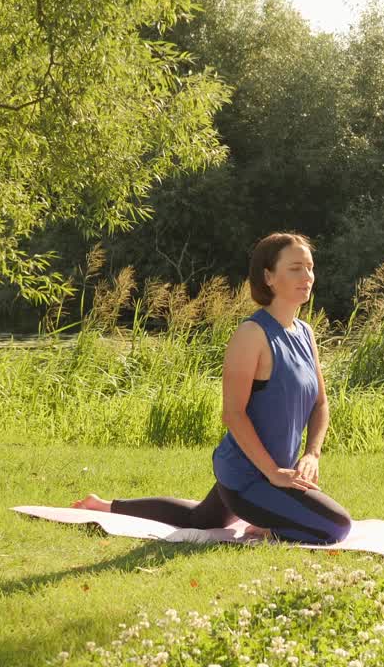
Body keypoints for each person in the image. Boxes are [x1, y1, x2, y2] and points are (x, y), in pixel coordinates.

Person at [72, 233, 352, 545]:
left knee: (200, 520)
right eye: (295, 268)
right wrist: (272, 473)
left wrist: (312, 454)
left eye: (310, 267)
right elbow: (233, 414)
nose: (307, 276)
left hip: (277, 474)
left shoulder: (304, 333)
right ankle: (265, 526)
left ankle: (105, 505)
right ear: (268, 277)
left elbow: (320, 404)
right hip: (246, 477)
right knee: (336, 526)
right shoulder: (252, 334)